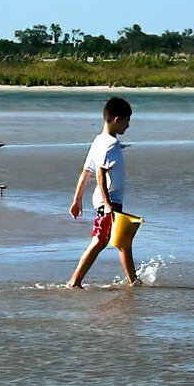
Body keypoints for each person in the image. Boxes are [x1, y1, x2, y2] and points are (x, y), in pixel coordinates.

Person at [66, 96, 137, 288]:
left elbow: (85, 172)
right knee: (100, 241)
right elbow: (99, 174)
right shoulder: (110, 145)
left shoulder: (99, 141)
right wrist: (108, 205)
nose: (128, 126)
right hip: (110, 201)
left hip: (106, 201)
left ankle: (134, 281)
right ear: (117, 120)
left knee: (122, 241)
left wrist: (77, 200)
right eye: (127, 121)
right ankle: (75, 281)